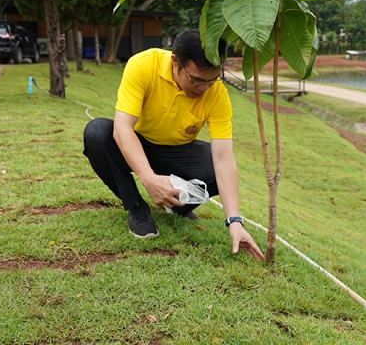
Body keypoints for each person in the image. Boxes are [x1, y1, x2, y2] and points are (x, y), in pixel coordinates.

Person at [83, 29, 264, 260]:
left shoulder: (216, 93)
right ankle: (137, 207)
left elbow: (223, 158)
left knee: (214, 168)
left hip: (177, 151)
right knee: (97, 133)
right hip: (139, 143)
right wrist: (148, 178)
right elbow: (122, 129)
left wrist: (234, 221)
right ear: (175, 61)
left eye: (212, 80)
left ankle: (178, 207)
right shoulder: (143, 65)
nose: (203, 89)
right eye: (196, 80)